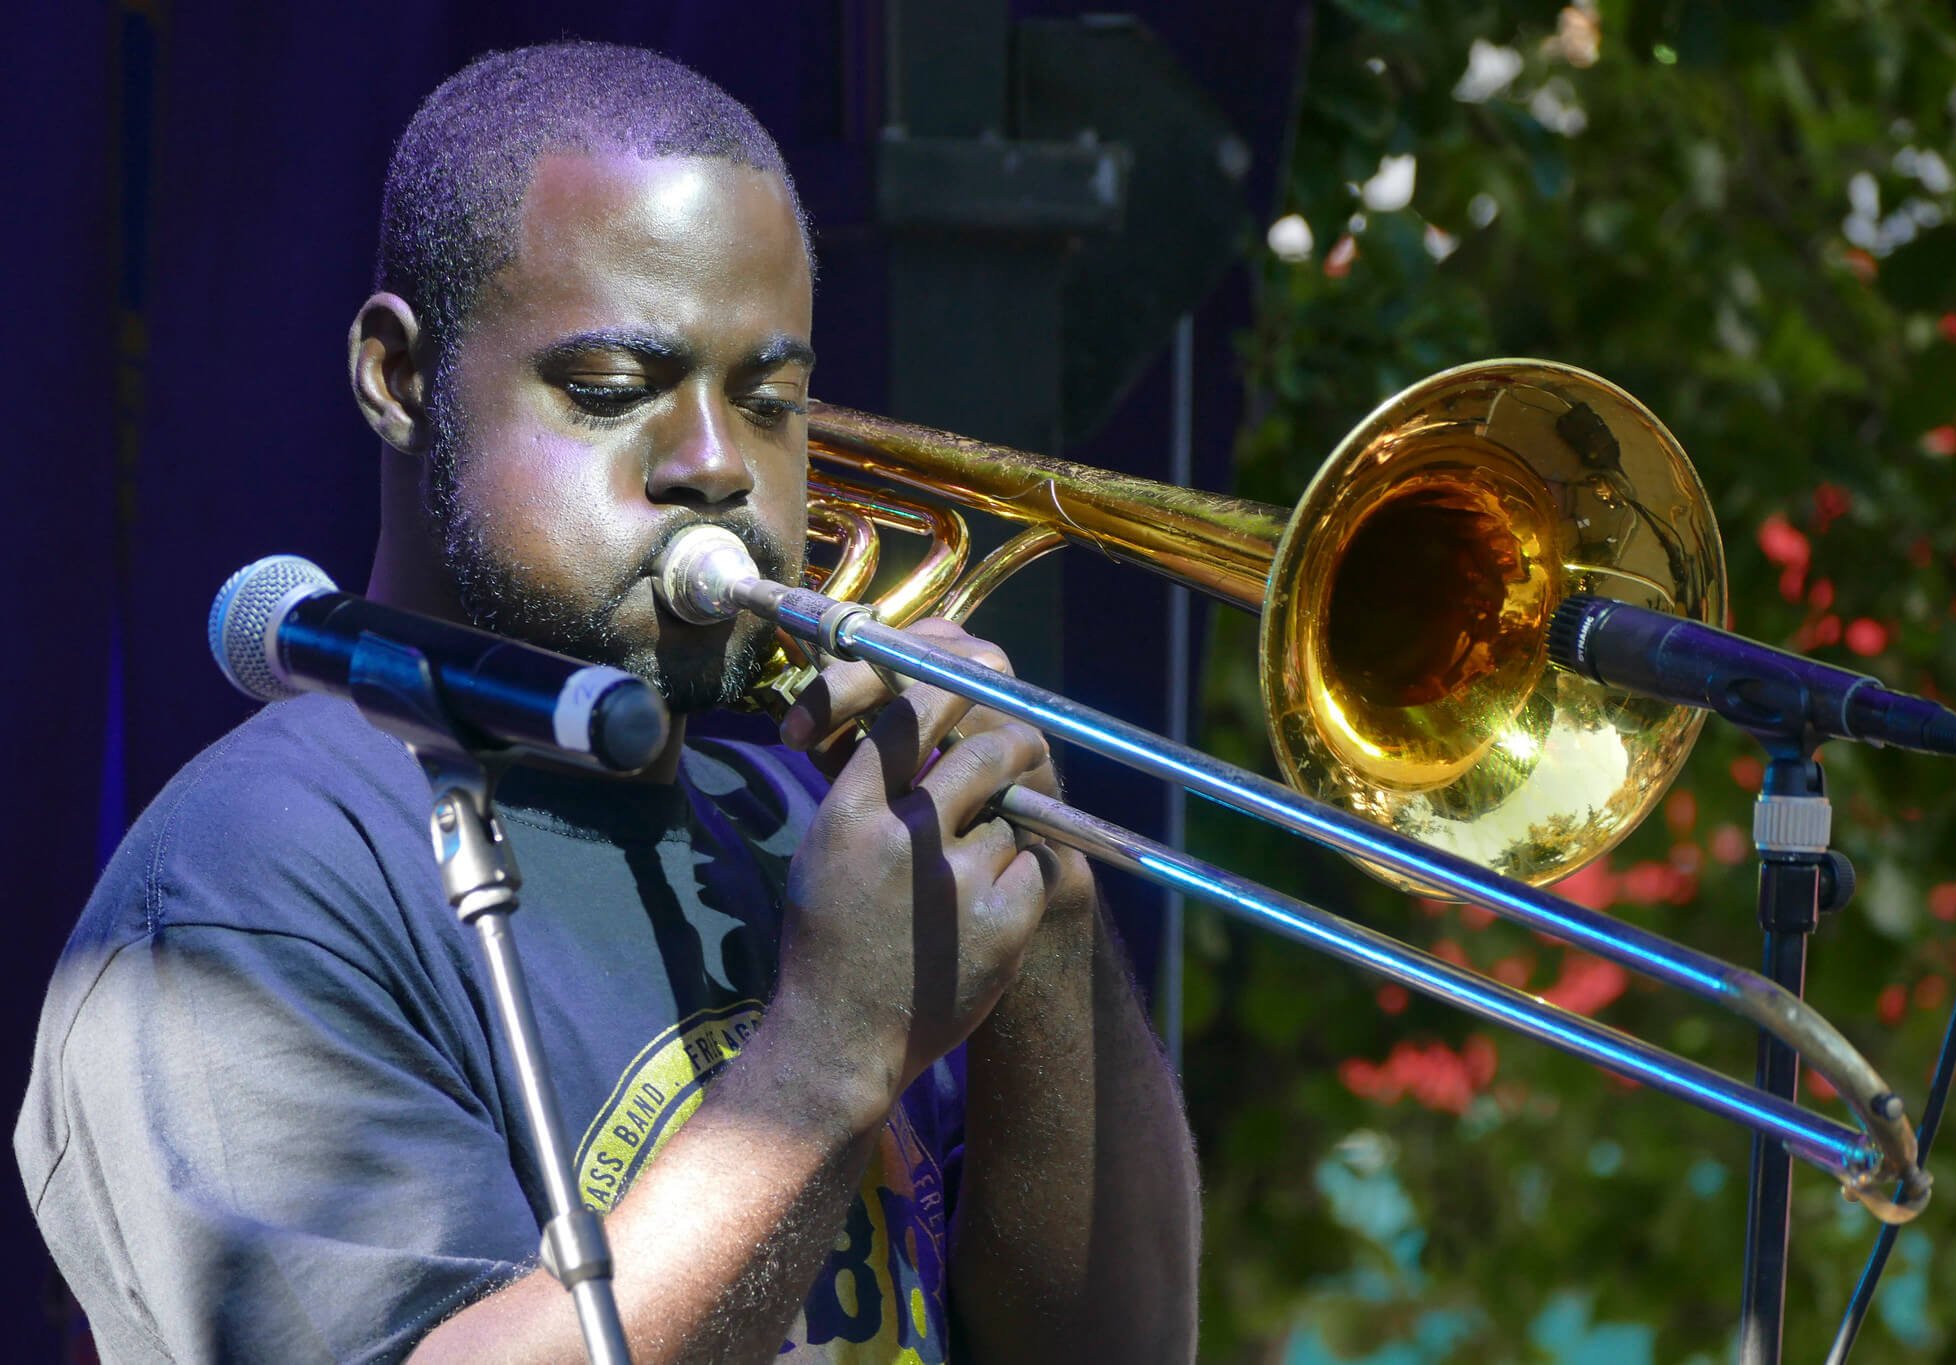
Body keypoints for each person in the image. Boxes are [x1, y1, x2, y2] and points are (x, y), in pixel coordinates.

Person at [17, 41, 1198, 1363]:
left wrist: (1051, 934)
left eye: (772, 401)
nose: (713, 464)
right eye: (613, 390)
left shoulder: (813, 822)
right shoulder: (254, 876)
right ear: (399, 378)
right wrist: (825, 1063)